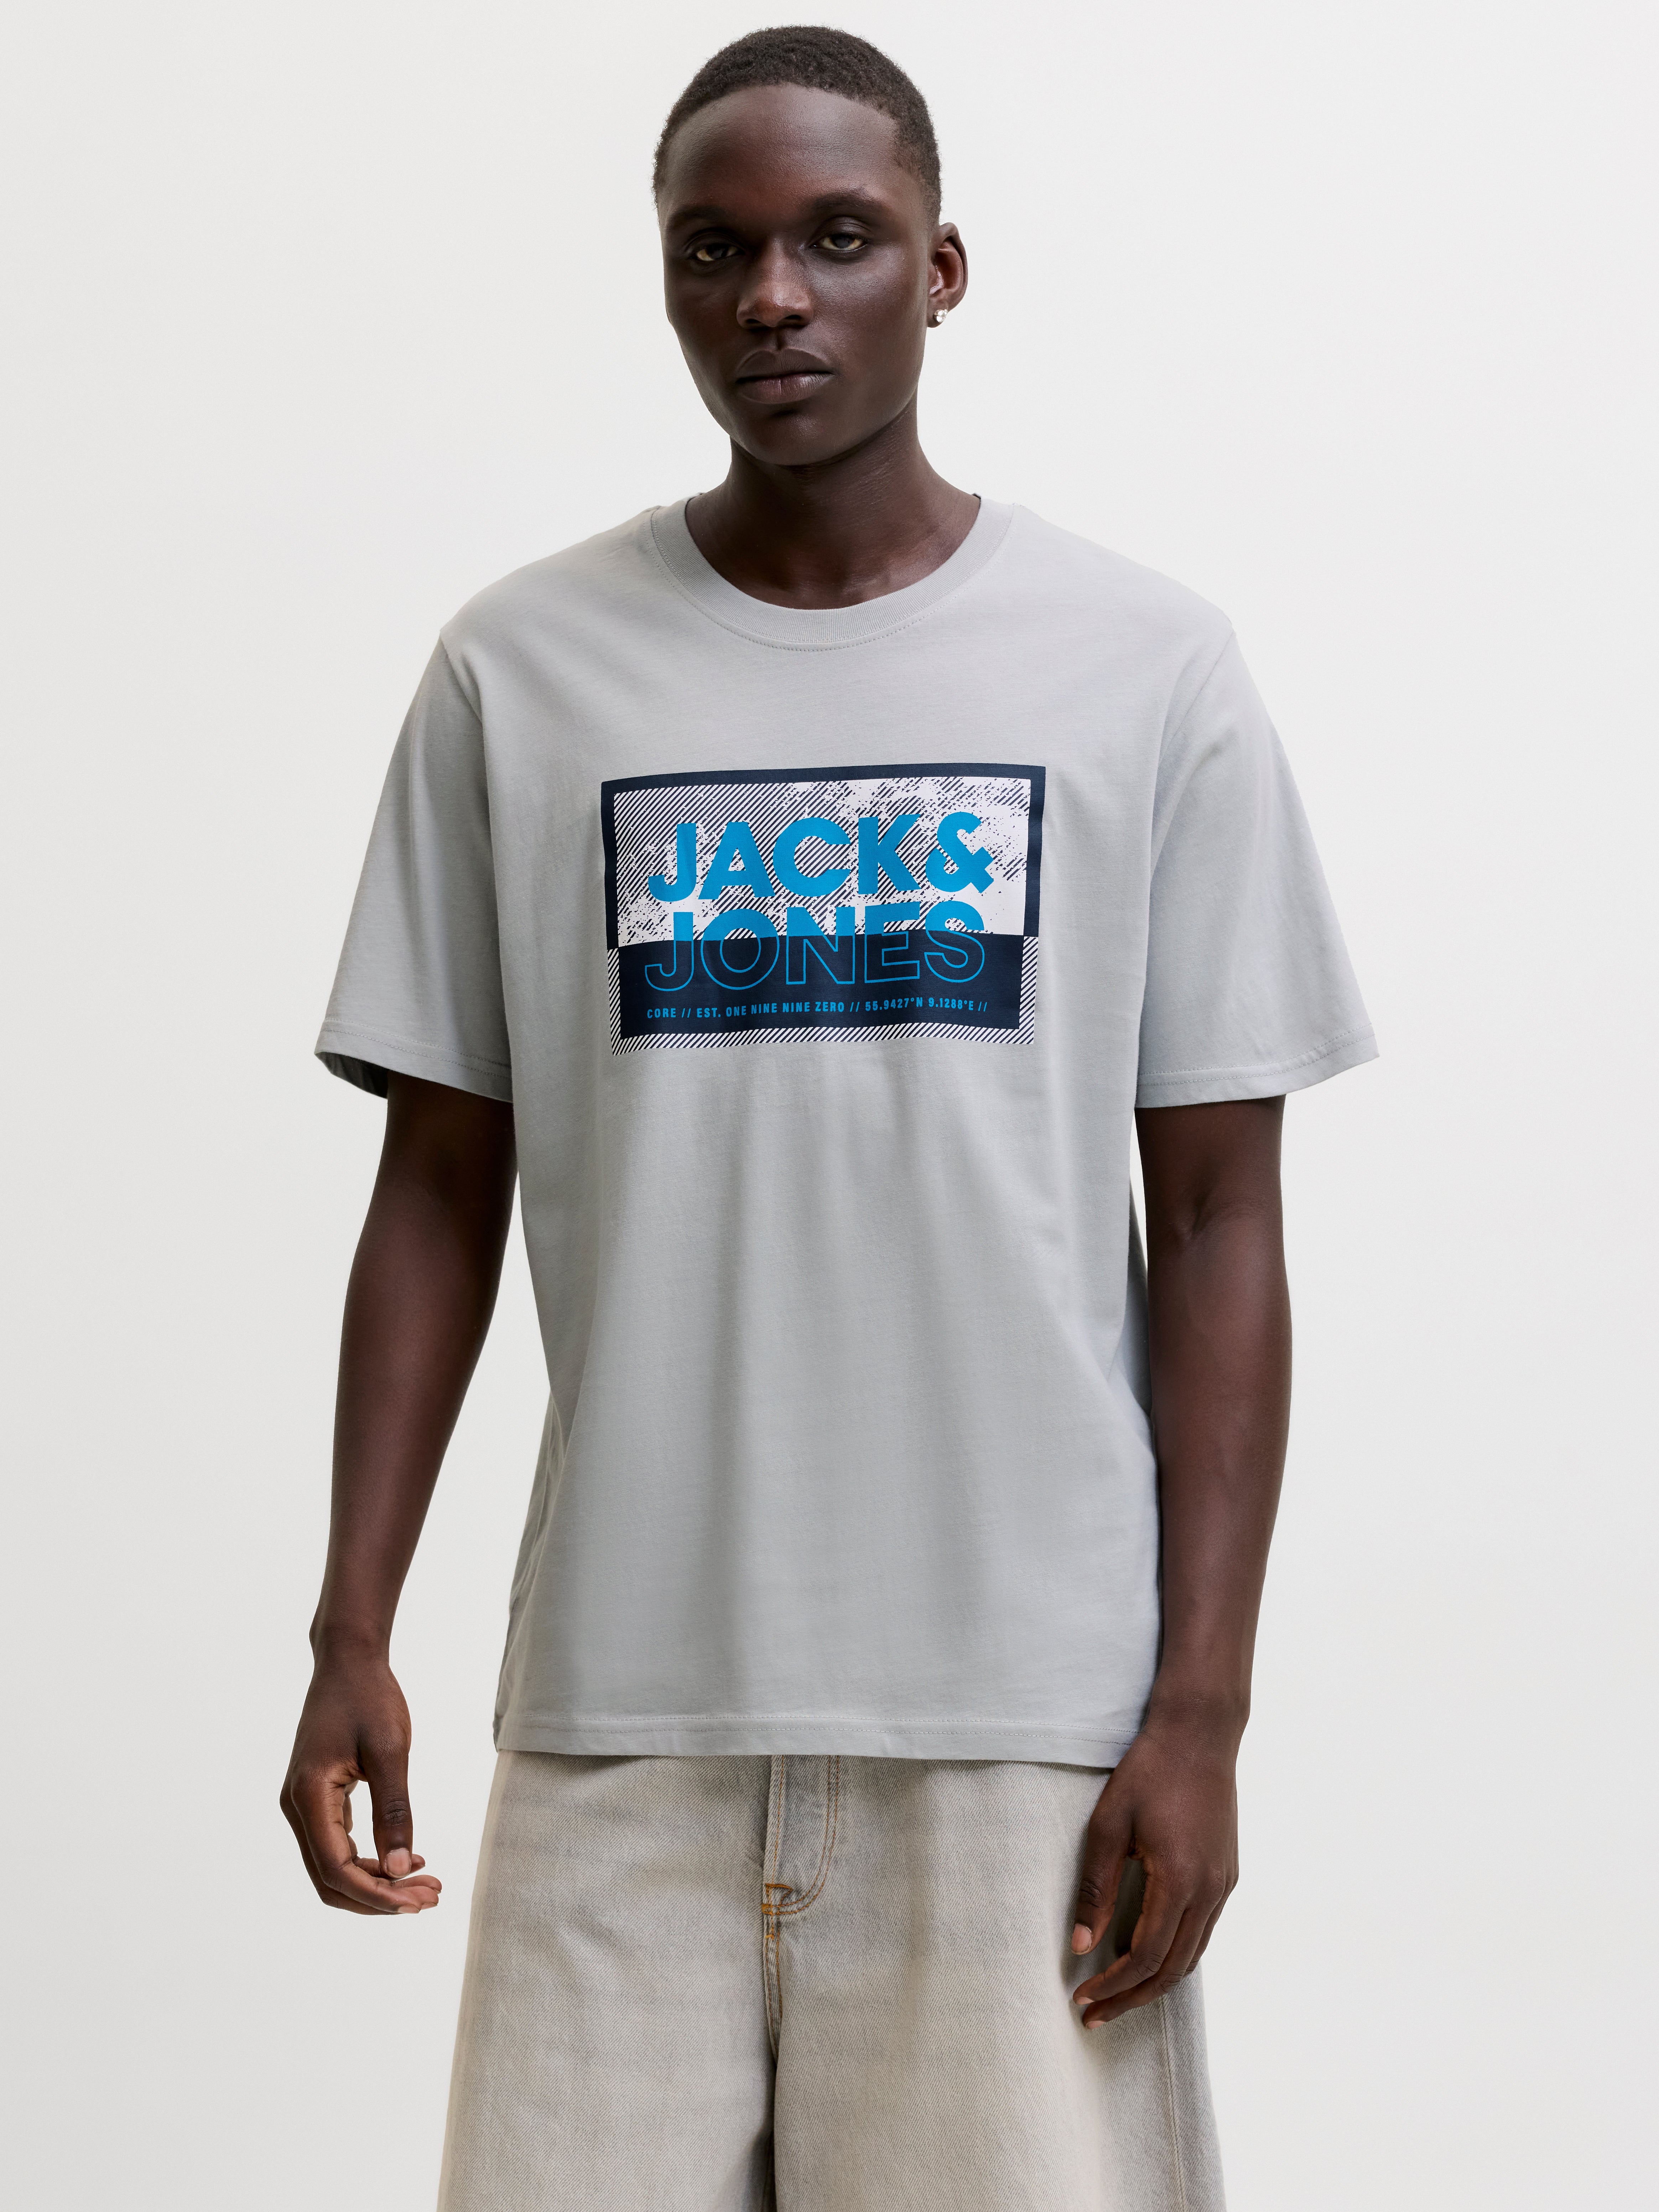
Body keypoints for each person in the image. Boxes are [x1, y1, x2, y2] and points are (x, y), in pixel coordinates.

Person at [281, 26, 1375, 2211]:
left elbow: (1219, 1221)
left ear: (939, 270)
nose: (772, 295)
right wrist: (348, 1629)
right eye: (715, 249)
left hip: (1019, 1723)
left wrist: (1200, 1710)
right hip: (623, 1714)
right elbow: (437, 1184)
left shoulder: (1143, 668)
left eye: (838, 239)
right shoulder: (521, 670)